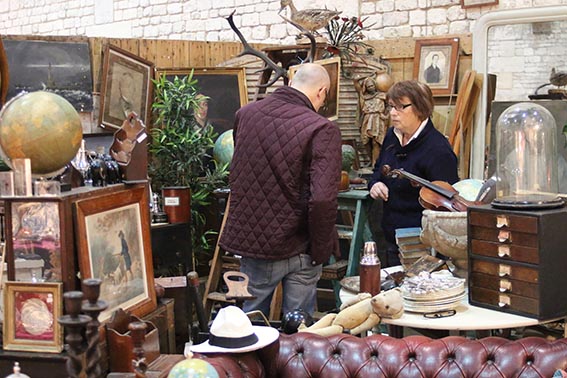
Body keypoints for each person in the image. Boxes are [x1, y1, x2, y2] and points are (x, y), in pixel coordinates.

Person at [219, 63, 342, 318]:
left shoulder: (245, 115)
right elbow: (322, 200)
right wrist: (320, 250)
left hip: (254, 247)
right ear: (321, 91)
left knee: (246, 326)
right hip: (300, 249)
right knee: (297, 333)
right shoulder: (321, 128)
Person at [368, 80, 459, 267]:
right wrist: (375, 183)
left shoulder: (438, 149)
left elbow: (447, 209)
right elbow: (378, 170)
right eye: (391, 106)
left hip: (421, 243)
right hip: (391, 234)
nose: (393, 113)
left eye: (401, 107)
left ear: (420, 108)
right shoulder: (392, 136)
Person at [353, 71, 391, 163]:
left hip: (378, 120)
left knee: (376, 142)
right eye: (369, 86)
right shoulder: (363, 96)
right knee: (365, 142)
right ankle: (371, 160)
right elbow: (355, 81)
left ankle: (375, 163)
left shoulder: (382, 95)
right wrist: (368, 75)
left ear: (375, 85)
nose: (371, 88)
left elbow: (389, 106)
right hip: (367, 120)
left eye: (372, 85)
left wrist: (386, 115)